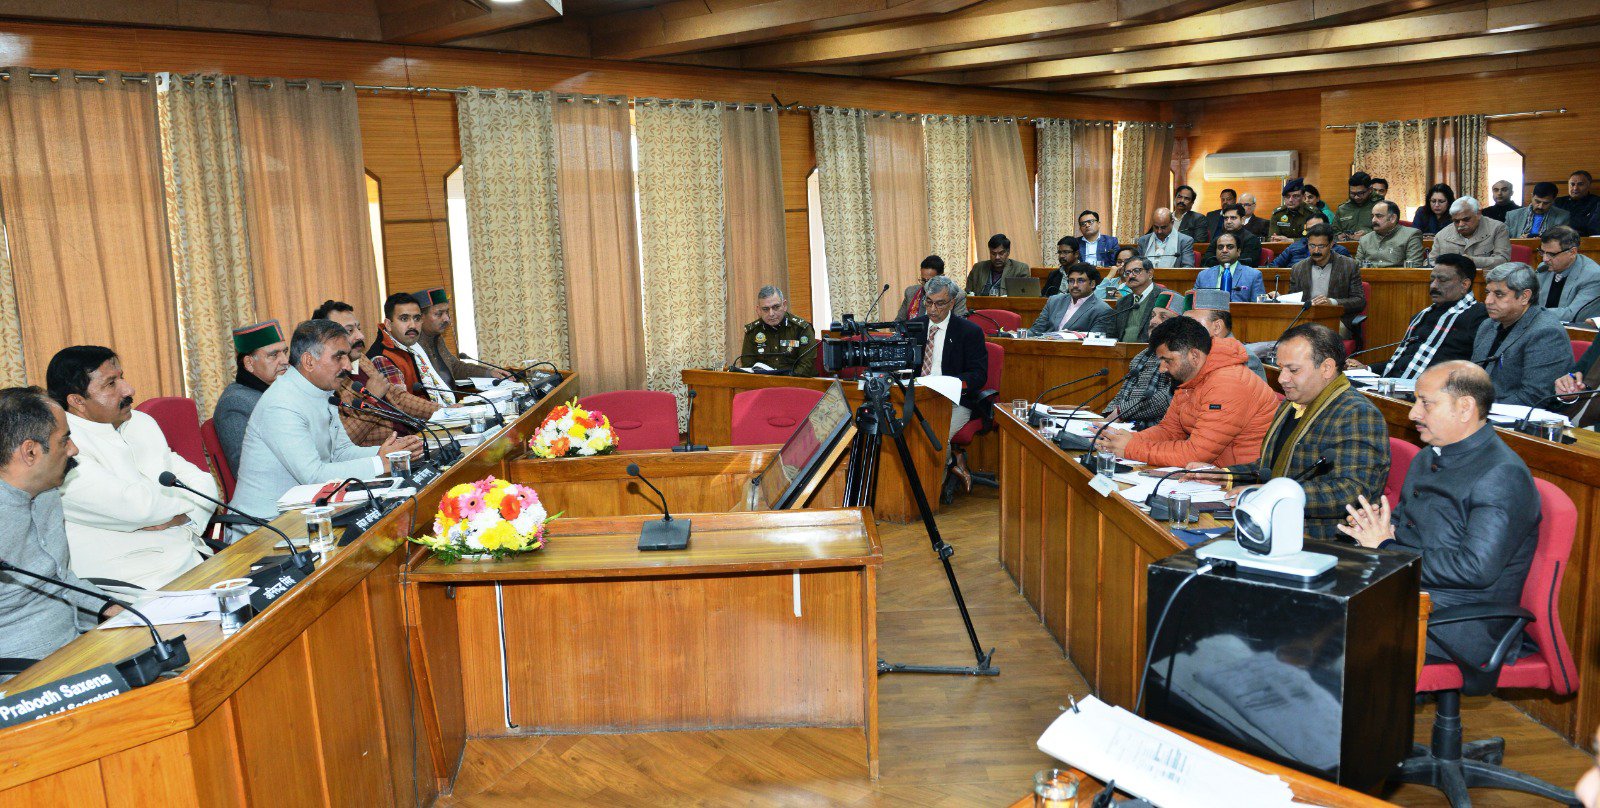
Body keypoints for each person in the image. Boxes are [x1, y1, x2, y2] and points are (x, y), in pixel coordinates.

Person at [1339, 361, 1538, 667]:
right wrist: (1374, 527)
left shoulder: (1501, 474)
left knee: (1326, 635)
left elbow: (1475, 569)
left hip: (1458, 623)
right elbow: (1402, 526)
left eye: (1426, 403)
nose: (1413, 414)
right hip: (1410, 594)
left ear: (1465, 407)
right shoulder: (1428, 456)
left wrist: (1387, 547)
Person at [47, 346, 213, 589]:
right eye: (111, 384)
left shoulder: (141, 423)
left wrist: (185, 518)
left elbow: (203, 483)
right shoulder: (63, 446)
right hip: (138, 579)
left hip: (192, 553)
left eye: (121, 377)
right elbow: (137, 507)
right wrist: (181, 507)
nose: (129, 390)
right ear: (77, 401)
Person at [1204, 324, 1388, 543]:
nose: (1282, 378)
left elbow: (1351, 492)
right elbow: (1271, 469)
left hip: (1321, 540)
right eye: (1281, 368)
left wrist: (1278, 494)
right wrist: (1224, 475)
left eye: (1293, 370)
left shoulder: (1356, 413)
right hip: (1274, 525)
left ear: (1327, 368)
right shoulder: (1293, 403)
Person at [230, 319, 424, 522]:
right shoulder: (281, 404)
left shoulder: (322, 390)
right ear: (309, 361)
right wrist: (379, 463)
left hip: (309, 509)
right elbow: (313, 476)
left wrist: (390, 454)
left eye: (347, 356)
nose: (347, 365)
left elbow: (341, 452)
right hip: (267, 523)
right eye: (338, 357)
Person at [0, 387, 112, 665]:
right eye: (64, 440)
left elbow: (60, 578)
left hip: (79, 643)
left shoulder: (46, 491)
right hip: (23, 670)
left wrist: (111, 608)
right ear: (30, 451)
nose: (73, 449)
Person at [1095, 315, 1278, 466]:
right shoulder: (1191, 377)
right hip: (1208, 473)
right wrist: (1123, 440)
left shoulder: (1228, 384)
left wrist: (1131, 448)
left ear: (1194, 355)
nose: (1162, 369)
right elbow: (1170, 430)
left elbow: (1196, 454)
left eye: (1167, 360)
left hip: (1236, 480)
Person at [314, 300, 443, 445]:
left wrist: (443, 411)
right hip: (382, 451)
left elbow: (396, 396)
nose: (360, 336)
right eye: (349, 331)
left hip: (411, 437)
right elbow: (342, 442)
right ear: (325, 340)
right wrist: (371, 400)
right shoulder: (325, 381)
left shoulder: (361, 359)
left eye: (358, 328)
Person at [1349, 254, 1487, 379]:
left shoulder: (1479, 316)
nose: (1433, 286)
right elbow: (1403, 363)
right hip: (1398, 386)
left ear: (1465, 284)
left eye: (1442, 280)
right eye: (1432, 279)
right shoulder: (1423, 315)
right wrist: (1367, 369)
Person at [912, 277, 988, 488]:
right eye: (928, 302)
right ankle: (951, 461)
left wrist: (950, 384)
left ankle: (930, 492)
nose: (932, 309)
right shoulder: (914, 328)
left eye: (939, 303)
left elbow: (978, 375)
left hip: (955, 400)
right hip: (918, 398)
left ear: (952, 303)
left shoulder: (969, 332)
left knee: (935, 437)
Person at [1471, 262, 1570, 406]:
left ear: (1524, 296)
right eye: (1488, 293)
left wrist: (1477, 409)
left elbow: (1534, 396)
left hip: (1513, 414)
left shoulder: (1546, 332)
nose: (1488, 301)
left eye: (1499, 294)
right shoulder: (1488, 325)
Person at [213, 320, 289, 475]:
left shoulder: (279, 391)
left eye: (285, 352)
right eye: (273, 355)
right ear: (249, 363)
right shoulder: (235, 403)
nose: (285, 361)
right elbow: (247, 470)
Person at [1101, 291, 1183, 427]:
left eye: (1163, 317)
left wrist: (1121, 412)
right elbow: (1124, 393)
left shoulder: (1180, 357)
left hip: (1155, 428)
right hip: (1125, 424)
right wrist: (1106, 415)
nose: (1154, 321)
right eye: (1153, 315)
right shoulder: (1142, 355)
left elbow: (1167, 398)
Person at [368, 292, 455, 406]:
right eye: (404, 319)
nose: (413, 325)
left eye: (417, 318)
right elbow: (401, 402)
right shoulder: (383, 357)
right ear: (388, 324)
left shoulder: (410, 346)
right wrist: (443, 410)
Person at [413, 287, 508, 387]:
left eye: (447, 312)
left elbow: (455, 367)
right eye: (439, 314)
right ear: (420, 317)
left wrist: (489, 372)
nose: (447, 319)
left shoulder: (437, 337)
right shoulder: (413, 344)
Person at [1288, 224, 1366, 335]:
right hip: (1307, 320)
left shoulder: (1349, 265)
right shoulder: (1298, 268)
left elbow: (1359, 301)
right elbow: (1292, 301)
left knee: (1319, 336)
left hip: (1337, 319)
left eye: (1321, 246)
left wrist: (1332, 302)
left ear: (1331, 244)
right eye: (1312, 245)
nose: (1316, 250)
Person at [1184, 290, 1266, 380]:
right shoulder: (1195, 351)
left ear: (1217, 327)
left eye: (1192, 324)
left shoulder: (1245, 359)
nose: (1185, 330)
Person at [737, 286, 817, 376]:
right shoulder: (753, 331)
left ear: (784, 305)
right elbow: (748, 365)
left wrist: (782, 382)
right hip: (763, 382)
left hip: (796, 381)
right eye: (765, 309)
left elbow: (806, 366)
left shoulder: (801, 329)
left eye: (776, 307)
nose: (771, 314)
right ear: (758, 310)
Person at [1535, 226, 1600, 323]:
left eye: (1551, 254)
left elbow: (1572, 315)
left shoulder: (1593, 276)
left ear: (1572, 252)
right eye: (1542, 252)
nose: (1545, 259)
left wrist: (1530, 313)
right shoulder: (1543, 268)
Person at [1028, 264, 1115, 336]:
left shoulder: (1103, 310)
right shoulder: (1054, 301)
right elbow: (1036, 330)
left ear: (1092, 284)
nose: (1075, 285)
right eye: (1071, 281)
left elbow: (1094, 342)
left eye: (1080, 281)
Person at [1430, 196, 1512, 270]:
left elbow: (1503, 260)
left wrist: (1472, 261)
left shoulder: (1498, 228)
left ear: (1478, 214)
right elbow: (1430, 262)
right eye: (1456, 221)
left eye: (1466, 219)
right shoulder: (1441, 235)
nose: (1461, 224)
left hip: (1485, 279)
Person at [1193, 232, 1265, 302]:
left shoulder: (1253, 275)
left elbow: (1259, 307)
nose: (1224, 250)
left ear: (1238, 252)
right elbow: (1193, 303)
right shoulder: (1203, 275)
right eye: (1220, 247)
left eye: (1230, 247)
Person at [1111, 257, 1170, 342]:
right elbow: (1113, 333)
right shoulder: (1122, 302)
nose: (1130, 276)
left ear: (1150, 273)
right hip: (1122, 349)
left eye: (1136, 271)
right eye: (1127, 273)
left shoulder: (1166, 297)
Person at [1356, 200, 1426, 268]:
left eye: (1379, 216)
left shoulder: (1411, 235)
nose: (1373, 220)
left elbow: (1414, 268)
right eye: (1372, 216)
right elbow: (1356, 268)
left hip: (1400, 276)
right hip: (1368, 276)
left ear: (1393, 218)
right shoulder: (1365, 239)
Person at [900, 255, 970, 319]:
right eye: (923, 280)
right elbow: (898, 322)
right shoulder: (911, 292)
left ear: (942, 277)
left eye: (930, 281)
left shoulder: (957, 296)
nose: (926, 285)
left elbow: (961, 325)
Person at [1269, 213, 1351, 268]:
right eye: (1309, 230)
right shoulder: (1294, 247)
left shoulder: (1339, 251)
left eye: (1317, 228)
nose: (1312, 232)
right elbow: (1272, 268)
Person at [965, 233, 1032, 296]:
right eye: (993, 253)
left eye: (1001, 253)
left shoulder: (1020, 269)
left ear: (1008, 252)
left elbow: (1024, 297)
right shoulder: (978, 268)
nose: (997, 257)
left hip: (1006, 304)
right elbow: (967, 294)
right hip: (979, 304)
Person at [1506, 182, 1572, 239]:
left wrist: (1542, 241)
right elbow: (1504, 240)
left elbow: (1561, 240)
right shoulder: (1512, 215)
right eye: (1537, 201)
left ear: (1553, 200)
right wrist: (1519, 241)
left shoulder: (1563, 216)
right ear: (1532, 196)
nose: (1540, 206)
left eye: (1546, 203)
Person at [1333, 171, 1379, 239]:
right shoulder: (1342, 209)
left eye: (1360, 193)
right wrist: (1338, 236)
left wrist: (1368, 234)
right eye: (1352, 193)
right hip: (1347, 245)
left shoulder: (1380, 207)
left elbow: (1388, 231)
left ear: (1370, 190)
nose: (1356, 197)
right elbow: (1333, 232)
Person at [1267, 177, 1313, 242]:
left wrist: (1291, 240)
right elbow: (1270, 237)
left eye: (1295, 196)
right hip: (1282, 248)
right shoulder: (1278, 214)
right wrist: (1274, 240)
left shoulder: (1312, 213)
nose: (1290, 200)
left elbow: (1316, 239)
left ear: (1303, 197)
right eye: (1287, 196)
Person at [1557, 170, 1600, 236]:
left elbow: (1594, 230)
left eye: (1580, 184)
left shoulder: (1597, 202)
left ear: (1589, 185)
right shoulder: (1558, 202)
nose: (1575, 188)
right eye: (1572, 184)